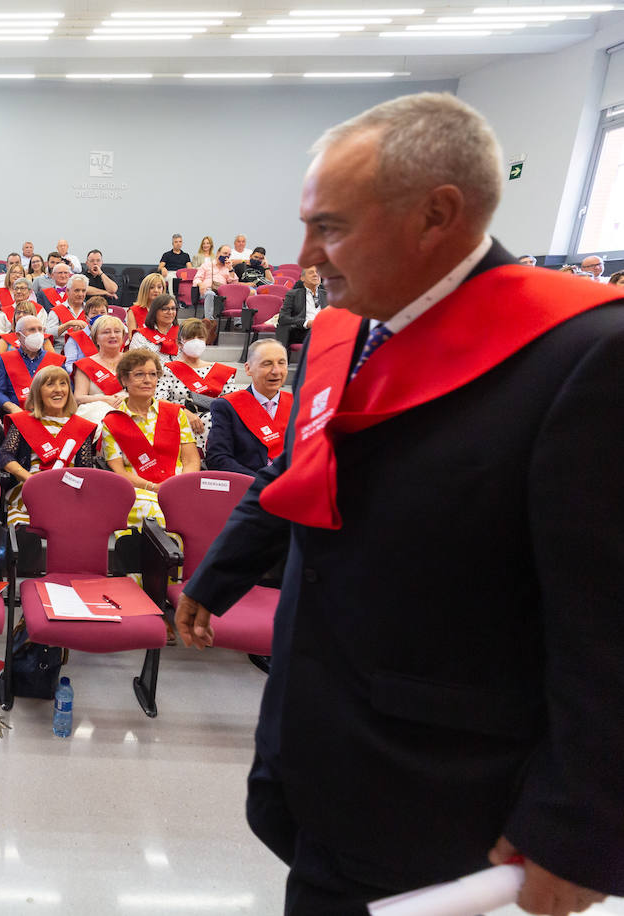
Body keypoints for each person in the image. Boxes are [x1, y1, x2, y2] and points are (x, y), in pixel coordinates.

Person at [175, 92, 624, 915]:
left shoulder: (585, 357)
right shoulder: (348, 327)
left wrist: (582, 828)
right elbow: (295, 472)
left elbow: (607, 627)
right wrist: (216, 578)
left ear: (437, 216)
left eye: (332, 227)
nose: (305, 256)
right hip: (315, 743)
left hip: (440, 788)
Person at [101, 349, 200, 530]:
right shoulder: (112, 421)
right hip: (138, 492)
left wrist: (181, 487)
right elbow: (119, 471)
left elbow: (191, 460)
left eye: (153, 374)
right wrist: (154, 488)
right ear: (124, 380)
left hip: (179, 487)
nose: (148, 380)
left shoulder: (176, 414)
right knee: (158, 513)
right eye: (139, 374)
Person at [0, 365, 99, 527]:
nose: (58, 390)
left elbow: (85, 470)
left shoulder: (82, 427)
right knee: (25, 537)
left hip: (68, 494)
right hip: (28, 494)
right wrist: (30, 480)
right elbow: (5, 457)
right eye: (50, 384)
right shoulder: (22, 422)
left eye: (63, 383)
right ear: (38, 391)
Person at [204, 339, 290, 477]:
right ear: (248, 369)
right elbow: (218, 458)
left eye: (281, 363)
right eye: (267, 364)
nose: (276, 371)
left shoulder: (299, 404)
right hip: (249, 489)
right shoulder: (227, 406)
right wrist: (260, 483)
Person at [156, 317, 240, 448]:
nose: (196, 341)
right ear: (179, 343)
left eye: (200, 338)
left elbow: (232, 403)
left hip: (216, 425)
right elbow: (158, 400)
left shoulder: (222, 371)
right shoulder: (169, 369)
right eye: (190, 338)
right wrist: (183, 412)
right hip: (180, 422)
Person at [0, 314, 65, 413]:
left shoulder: (56, 360)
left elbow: (68, 390)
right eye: (32, 330)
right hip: (18, 416)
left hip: (51, 414)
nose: (38, 334)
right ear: (18, 336)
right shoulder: (5, 359)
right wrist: (11, 407)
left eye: (40, 329)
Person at [71, 315, 129, 414]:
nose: (113, 336)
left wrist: (129, 397)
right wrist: (104, 399)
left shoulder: (133, 361)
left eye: (117, 331)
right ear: (96, 338)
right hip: (97, 414)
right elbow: (78, 398)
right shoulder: (85, 364)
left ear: (123, 336)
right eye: (106, 332)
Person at [276, 266, 327, 348]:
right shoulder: (293, 294)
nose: (315, 275)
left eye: (317, 272)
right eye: (311, 273)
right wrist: (307, 323)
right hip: (302, 331)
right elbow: (283, 318)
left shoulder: (327, 295)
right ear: (302, 278)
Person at [46, 275, 93, 352]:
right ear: (67, 291)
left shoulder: (91, 310)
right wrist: (68, 325)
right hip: (62, 351)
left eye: (83, 291)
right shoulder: (56, 311)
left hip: (87, 351)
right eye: (77, 290)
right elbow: (48, 333)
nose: (81, 294)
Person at [193, 245, 237, 320]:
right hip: (207, 291)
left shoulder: (228, 268)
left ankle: (238, 323)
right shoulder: (206, 265)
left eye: (229, 255)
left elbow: (234, 285)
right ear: (218, 253)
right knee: (210, 293)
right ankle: (209, 321)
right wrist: (200, 284)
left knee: (238, 295)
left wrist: (230, 269)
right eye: (225, 253)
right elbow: (197, 278)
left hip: (222, 293)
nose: (227, 256)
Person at [159, 234, 193, 298]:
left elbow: (190, 268)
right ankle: (173, 299)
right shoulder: (166, 254)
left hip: (181, 274)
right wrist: (163, 268)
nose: (178, 244)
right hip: (169, 273)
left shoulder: (186, 255)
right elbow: (160, 267)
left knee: (188, 278)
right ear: (172, 243)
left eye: (180, 242)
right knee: (173, 278)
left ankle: (185, 300)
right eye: (176, 242)